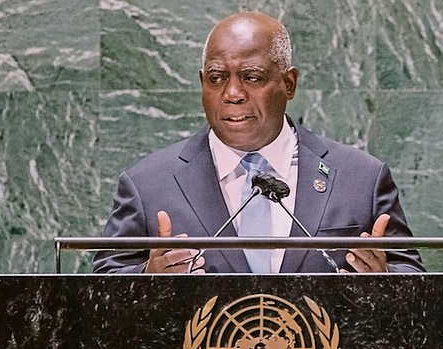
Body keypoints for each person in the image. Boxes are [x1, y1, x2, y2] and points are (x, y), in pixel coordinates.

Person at [93, 11, 424, 274]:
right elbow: (101, 292)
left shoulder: (360, 178)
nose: (233, 94)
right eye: (217, 79)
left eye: (252, 77)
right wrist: (148, 279)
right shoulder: (148, 185)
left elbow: (415, 282)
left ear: (288, 83)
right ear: (202, 84)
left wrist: (383, 282)